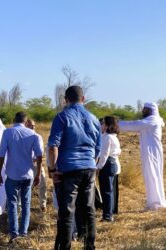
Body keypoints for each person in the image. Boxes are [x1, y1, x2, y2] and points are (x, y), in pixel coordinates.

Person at [48, 85, 101, 250]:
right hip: (89, 168)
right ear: (83, 99)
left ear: (66, 100)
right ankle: (89, 246)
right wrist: (90, 163)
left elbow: (52, 146)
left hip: (68, 169)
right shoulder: (94, 119)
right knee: (88, 209)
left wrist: (52, 169)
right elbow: (98, 149)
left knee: (67, 212)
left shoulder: (62, 117)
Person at [0, 112, 43, 242]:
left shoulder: (8, 133)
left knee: (12, 204)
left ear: (14, 120)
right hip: (28, 175)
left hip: (12, 175)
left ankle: (14, 234)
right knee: (26, 204)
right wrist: (38, 173)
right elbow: (39, 156)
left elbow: (1, 154)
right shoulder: (33, 134)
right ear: (26, 121)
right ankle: (23, 233)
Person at [119, 102, 166, 211]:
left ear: (150, 110)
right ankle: (153, 202)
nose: (142, 111)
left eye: (145, 109)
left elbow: (133, 125)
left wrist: (116, 124)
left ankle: (157, 203)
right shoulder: (151, 120)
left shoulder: (152, 119)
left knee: (153, 174)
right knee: (150, 175)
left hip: (152, 152)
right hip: (150, 151)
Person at [97, 116, 121, 222]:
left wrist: (98, 167)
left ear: (107, 126)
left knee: (106, 191)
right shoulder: (113, 136)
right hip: (111, 164)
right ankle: (108, 214)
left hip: (107, 164)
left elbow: (104, 154)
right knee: (108, 191)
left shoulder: (107, 137)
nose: (101, 125)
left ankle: (107, 216)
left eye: (102, 123)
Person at [26, 119, 48, 211]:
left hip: (36, 163)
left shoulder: (38, 136)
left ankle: (43, 204)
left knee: (42, 182)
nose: (32, 127)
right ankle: (26, 204)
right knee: (26, 185)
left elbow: (41, 150)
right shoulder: (23, 136)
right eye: (30, 125)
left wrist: (36, 158)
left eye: (33, 125)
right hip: (25, 164)